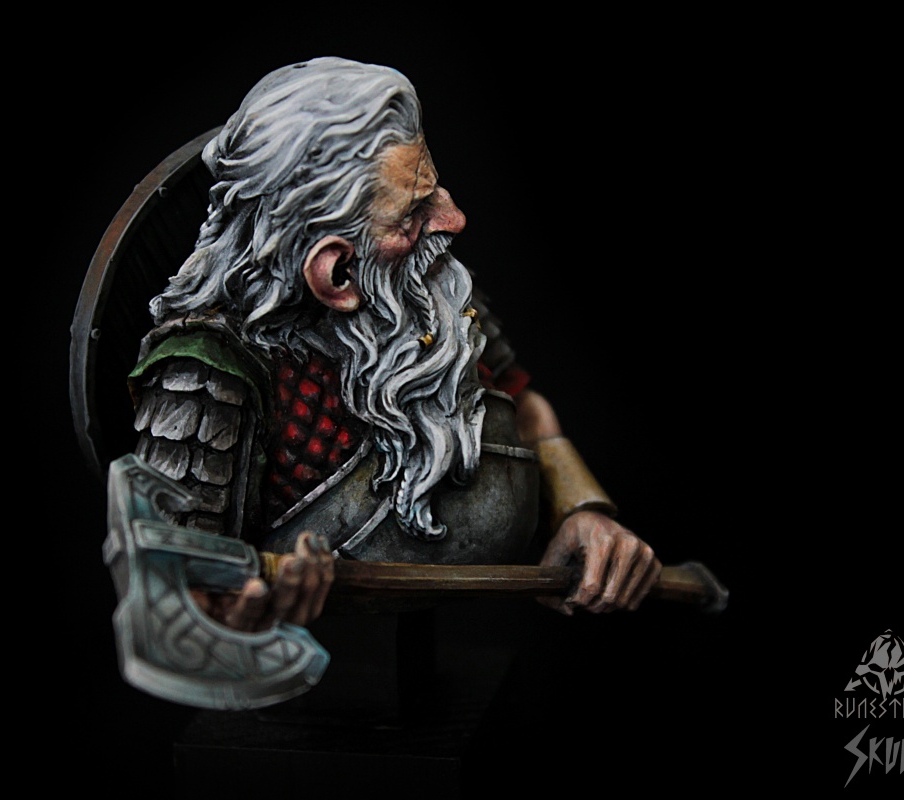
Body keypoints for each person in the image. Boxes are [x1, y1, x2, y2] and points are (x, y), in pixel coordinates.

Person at [128, 57, 660, 633]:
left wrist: (581, 509)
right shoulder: (209, 374)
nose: (453, 219)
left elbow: (521, 405)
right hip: (329, 677)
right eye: (414, 212)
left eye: (435, 190)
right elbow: (180, 601)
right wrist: (240, 616)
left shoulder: (430, 290)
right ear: (335, 272)